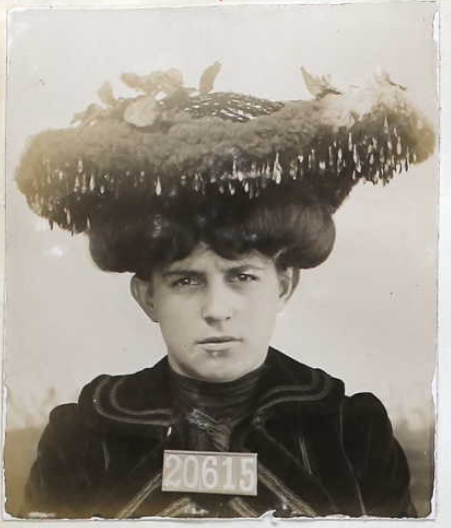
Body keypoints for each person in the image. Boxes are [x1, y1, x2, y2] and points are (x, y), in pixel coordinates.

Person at [15, 64, 434, 519]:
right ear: (147, 297)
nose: (217, 310)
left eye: (242, 277)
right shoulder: (81, 437)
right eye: (186, 281)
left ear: (285, 285)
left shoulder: (353, 434)